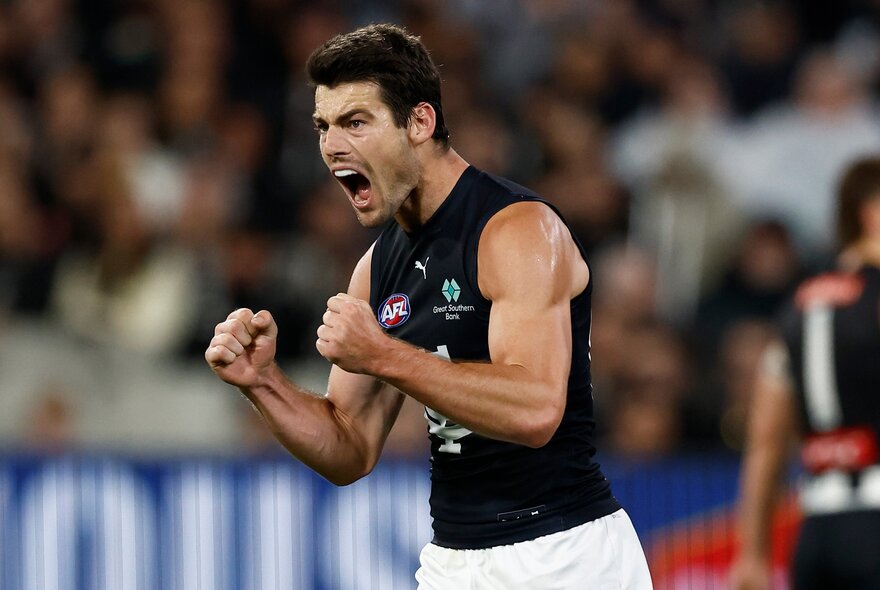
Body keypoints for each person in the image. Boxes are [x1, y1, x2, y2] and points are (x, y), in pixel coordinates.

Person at [205, 23, 652, 589]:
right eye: (323, 126)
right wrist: (261, 382)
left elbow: (536, 410)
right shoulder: (377, 266)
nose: (332, 146)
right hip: (453, 558)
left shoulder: (516, 229)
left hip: (560, 554)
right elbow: (349, 446)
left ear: (420, 122)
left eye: (356, 122)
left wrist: (385, 355)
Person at [731, 156, 880, 589]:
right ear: (871, 214)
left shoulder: (796, 312)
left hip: (817, 535)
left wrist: (752, 554)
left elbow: (765, 443)